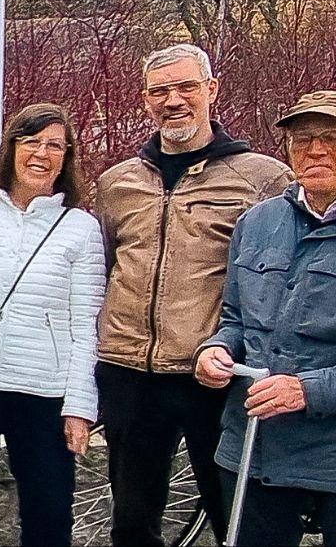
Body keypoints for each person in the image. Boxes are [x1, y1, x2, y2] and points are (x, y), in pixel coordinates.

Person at [194, 91, 336, 547]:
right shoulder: (257, 222)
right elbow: (236, 320)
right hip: (252, 451)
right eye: (301, 139)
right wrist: (216, 351)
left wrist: (307, 390)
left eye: (334, 138)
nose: (315, 150)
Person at [95, 43, 290, 547]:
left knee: (233, 515)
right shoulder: (118, 182)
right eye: (159, 91)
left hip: (211, 372)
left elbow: (279, 278)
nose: (173, 100)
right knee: (133, 523)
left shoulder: (262, 178)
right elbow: (110, 264)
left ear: (211, 91)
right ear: (144, 101)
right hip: (128, 371)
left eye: (185, 87)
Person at [0, 103, 104, 547]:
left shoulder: (80, 228)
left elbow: (85, 324)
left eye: (55, 145)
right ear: (10, 147)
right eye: (31, 141)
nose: (42, 153)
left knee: (49, 512)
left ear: (67, 156)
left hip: (44, 390)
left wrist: (79, 406)